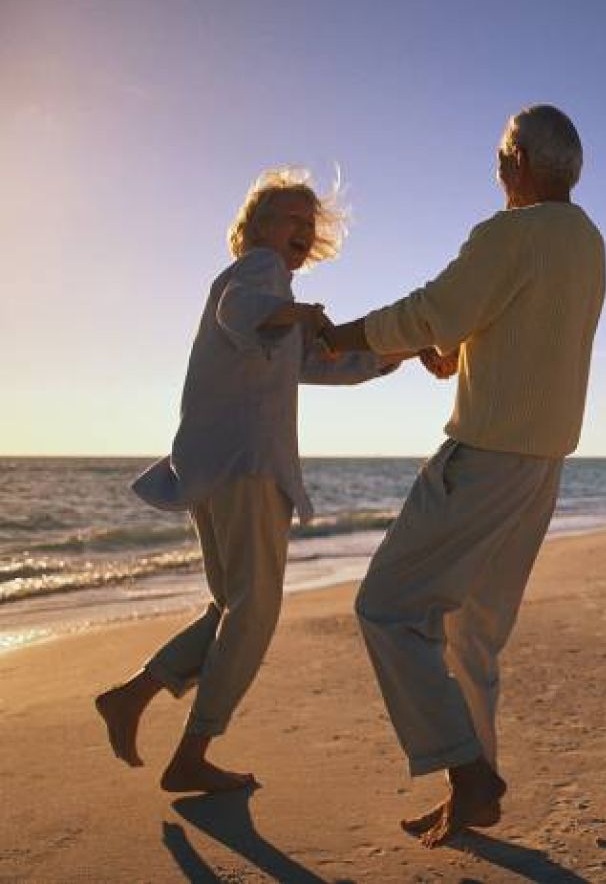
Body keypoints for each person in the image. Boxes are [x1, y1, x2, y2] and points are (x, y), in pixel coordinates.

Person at [321, 104, 606, 847]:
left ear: (516, 162)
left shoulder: (508, 231)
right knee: (472, 635)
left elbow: (429, 310)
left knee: (387, 607)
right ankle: (473, 791)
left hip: (483, 461)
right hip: (541, 468)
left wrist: (332, 334)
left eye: (500, 157)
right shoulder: (587, 242)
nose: (497, 170)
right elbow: (522, 331)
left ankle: (468, 771)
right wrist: (456, 351)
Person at [94, 168, 408, 793]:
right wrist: (300, 313)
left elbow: (320, 367)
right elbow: (244, 315)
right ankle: (191, 754)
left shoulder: (268, 297)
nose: (304, 229)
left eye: (309, 223)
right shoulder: (256, 273)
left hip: (209, 468)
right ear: (259, 226)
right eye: (293, 216)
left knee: (230, 606)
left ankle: (134, 694)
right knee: (256, 610)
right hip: (245, 466)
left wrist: (387, 357)